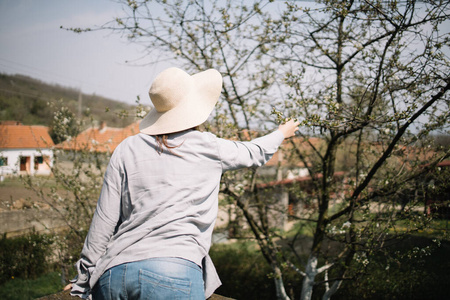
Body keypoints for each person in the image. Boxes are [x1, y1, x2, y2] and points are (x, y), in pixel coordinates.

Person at [68, 67, 299, 299]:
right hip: (172, 272)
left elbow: (104, 220)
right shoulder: (209, 146)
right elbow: (255, 152)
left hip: (114, 274)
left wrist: (84, 277)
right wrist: (281, 132)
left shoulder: (126, 148)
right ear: (194, 107)